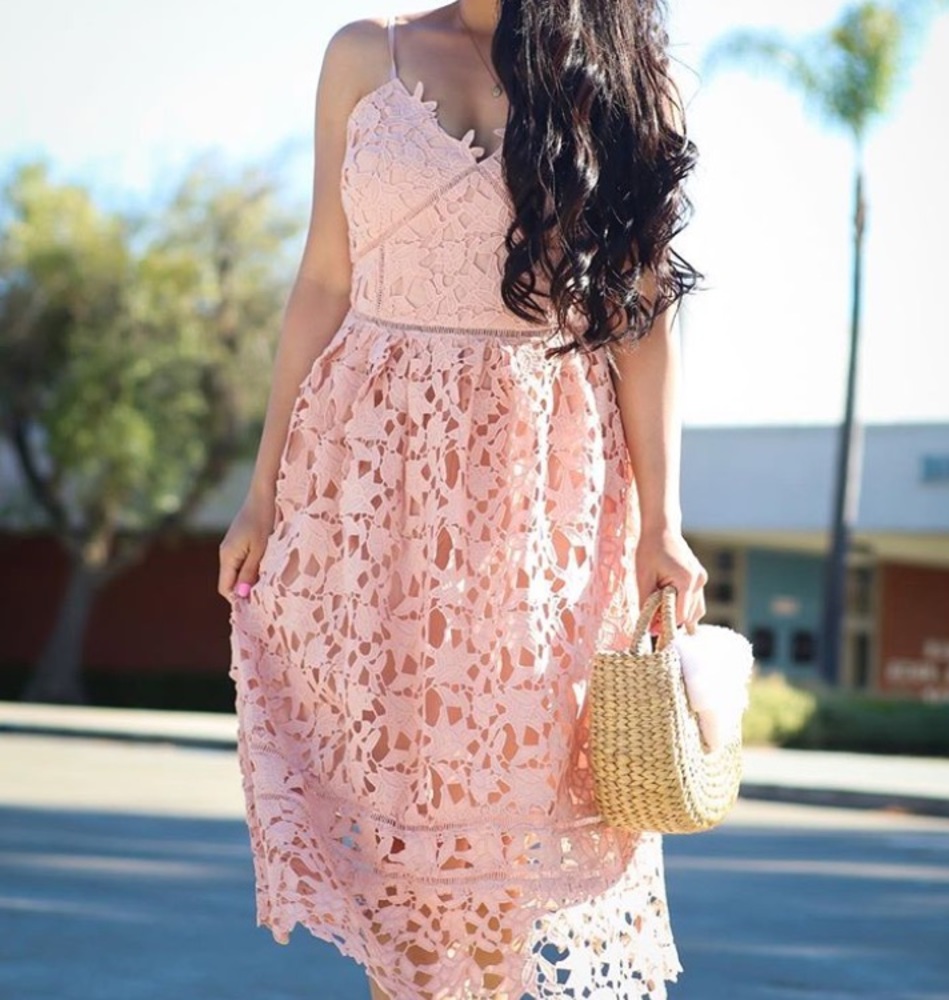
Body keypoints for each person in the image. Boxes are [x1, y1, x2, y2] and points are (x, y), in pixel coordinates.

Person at [218, 1, 707, 997]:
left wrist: (665, 522)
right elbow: (322, 277)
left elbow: (643, 319)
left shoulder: (620, 77)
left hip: (540, 492)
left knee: (501, 826)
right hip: (365, 482)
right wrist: (261, 493)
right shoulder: (366, 54)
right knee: (397, 828)